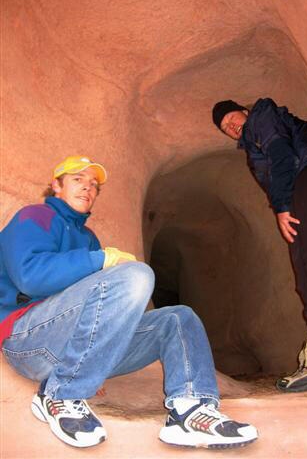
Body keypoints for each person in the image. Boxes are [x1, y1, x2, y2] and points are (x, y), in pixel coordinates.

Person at [0, 155, 258, 449]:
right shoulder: (35, 217)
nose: (87, 188)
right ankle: (61, 394)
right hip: (28, 340)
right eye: (77, 179)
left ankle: (191, 410)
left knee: (178, 318)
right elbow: (30, 277)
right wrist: (101, 260)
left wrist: (88, 364)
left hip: (75, 347)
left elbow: (94, 308)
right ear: (56, 187)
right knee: (136, 275)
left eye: (94, 184)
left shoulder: (87, 237)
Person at [212, 98, 307, 393]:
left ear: (246, 111)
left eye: (232, 117)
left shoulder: (262, 116)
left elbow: (280, 154)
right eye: (225, 128)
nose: (232, 126)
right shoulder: (254, 140)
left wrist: (281, 205)